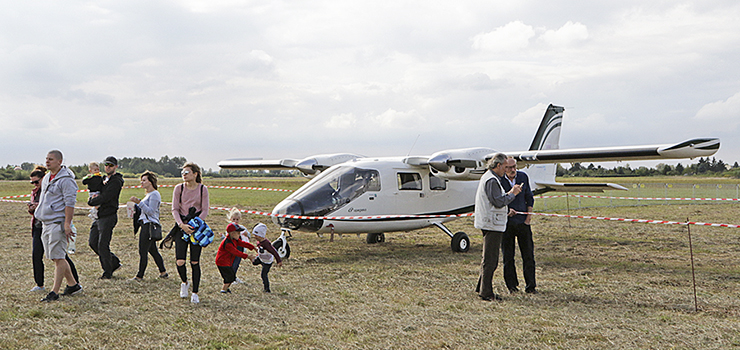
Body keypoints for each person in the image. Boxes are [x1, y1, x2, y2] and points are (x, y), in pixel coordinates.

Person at [34, 150, 82, 302]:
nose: (47, 162)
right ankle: (73, 285)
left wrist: (67, 223)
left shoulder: (66, 180)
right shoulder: (47, 177)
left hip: (57, 223)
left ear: (60, 161)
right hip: (46, 222)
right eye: (46, 159)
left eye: (51, 159)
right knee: (56, 257)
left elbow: (70, 203)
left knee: (58, 257)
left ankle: (54, 292)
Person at [474, 152, 521, 301]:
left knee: (487, 258)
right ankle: (486, 293)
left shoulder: (488, 177)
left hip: (489, 221)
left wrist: (506, 210)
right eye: (505, 167)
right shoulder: (492, 180)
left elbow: (495, 201)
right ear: (498, 165)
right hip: (492, 224)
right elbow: (498, 201)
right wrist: (512, 194)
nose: (506, 170)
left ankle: (481, 287)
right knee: (491, 260)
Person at [171, 162, 210, 303]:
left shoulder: (202, 189)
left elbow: (205, 210)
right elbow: (174, 209)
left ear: (195, 174)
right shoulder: (178, 188)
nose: (184, 175)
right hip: (182, 226)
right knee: (180, 261)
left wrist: (195, 225)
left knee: (195, 261)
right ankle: (184, 282)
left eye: (187, 172)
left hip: (196, 227)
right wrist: (181, 225)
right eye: (183, 173)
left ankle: (195, 292)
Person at [500, 158, 537, 294]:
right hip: (506, 224)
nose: (512, 170)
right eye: (509, 167)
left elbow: (529, 197)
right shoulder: (498, 180)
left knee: (528, 255)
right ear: (504, 168)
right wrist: (506, 211)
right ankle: (512, 286)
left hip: (523, 223)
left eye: (514, 167)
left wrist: (528, 218)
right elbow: (497, 200)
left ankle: (531, 286)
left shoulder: (523, 177)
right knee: (508, 257)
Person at [87, 156, 124, 280]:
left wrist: (92, 202)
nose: (108, 167)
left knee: (103, 244)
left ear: (115, 167)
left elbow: (106, 196)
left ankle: (107, 272)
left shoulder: (116, 181)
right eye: (106, 165)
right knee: (93, 242)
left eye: (111, 165)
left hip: (108, 215)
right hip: (99, 216)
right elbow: (94, 189)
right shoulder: (102, 179)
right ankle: (114, 262)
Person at [129, 171, 168, 281]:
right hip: (145, 224)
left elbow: (151, 211)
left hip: (149, 225)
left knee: (143, 251)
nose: (142, 182)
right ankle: (163, 272)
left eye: (144, 180)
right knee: (153, 251)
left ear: (151, 182)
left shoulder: (155, 194)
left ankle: (139, 276)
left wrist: (139, 202)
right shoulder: (149, 195)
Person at [216, 223, 256, 294]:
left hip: (228, 262)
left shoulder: (234, 240)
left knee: (232, 276)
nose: (239, 235)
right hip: (222, 262)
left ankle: (226, 289)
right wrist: (248, 256)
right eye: (238, 233)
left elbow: (243, 243)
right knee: (229, 277)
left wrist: (253, 247)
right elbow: (236, 252)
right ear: (232, 233)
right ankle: (223, 290)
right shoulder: (228, 243)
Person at [250, 223, 282, 293]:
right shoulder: (259, 242)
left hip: (267, 261)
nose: (254, 236)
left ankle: (267, 289)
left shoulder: (267, 244)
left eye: (256, 235)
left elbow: (274, 252)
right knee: (254, 262)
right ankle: (255, 260)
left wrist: (279, 261)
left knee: (264, 275)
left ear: (261, 235)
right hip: (261, 258)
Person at [227, 207, 250, 284]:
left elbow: (249, 235)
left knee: (237, 263)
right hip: (232, 249)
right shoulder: (230, 228)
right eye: (234, 219)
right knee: (232, 263)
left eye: (237, 219)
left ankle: (234, 276)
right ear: (230, 219)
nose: (235, 221)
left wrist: (247, 234)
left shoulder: (242, 228)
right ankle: (231, 278)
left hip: (240, 248)